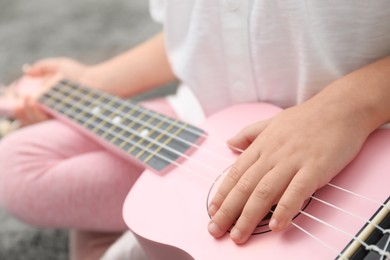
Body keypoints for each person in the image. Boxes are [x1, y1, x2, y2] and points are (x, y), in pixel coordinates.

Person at [1, 0, 390, 258]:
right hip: (204, 115)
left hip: (352, 137)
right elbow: (197, 36)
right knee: (16, 163)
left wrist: (348, 108)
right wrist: (97, 80)